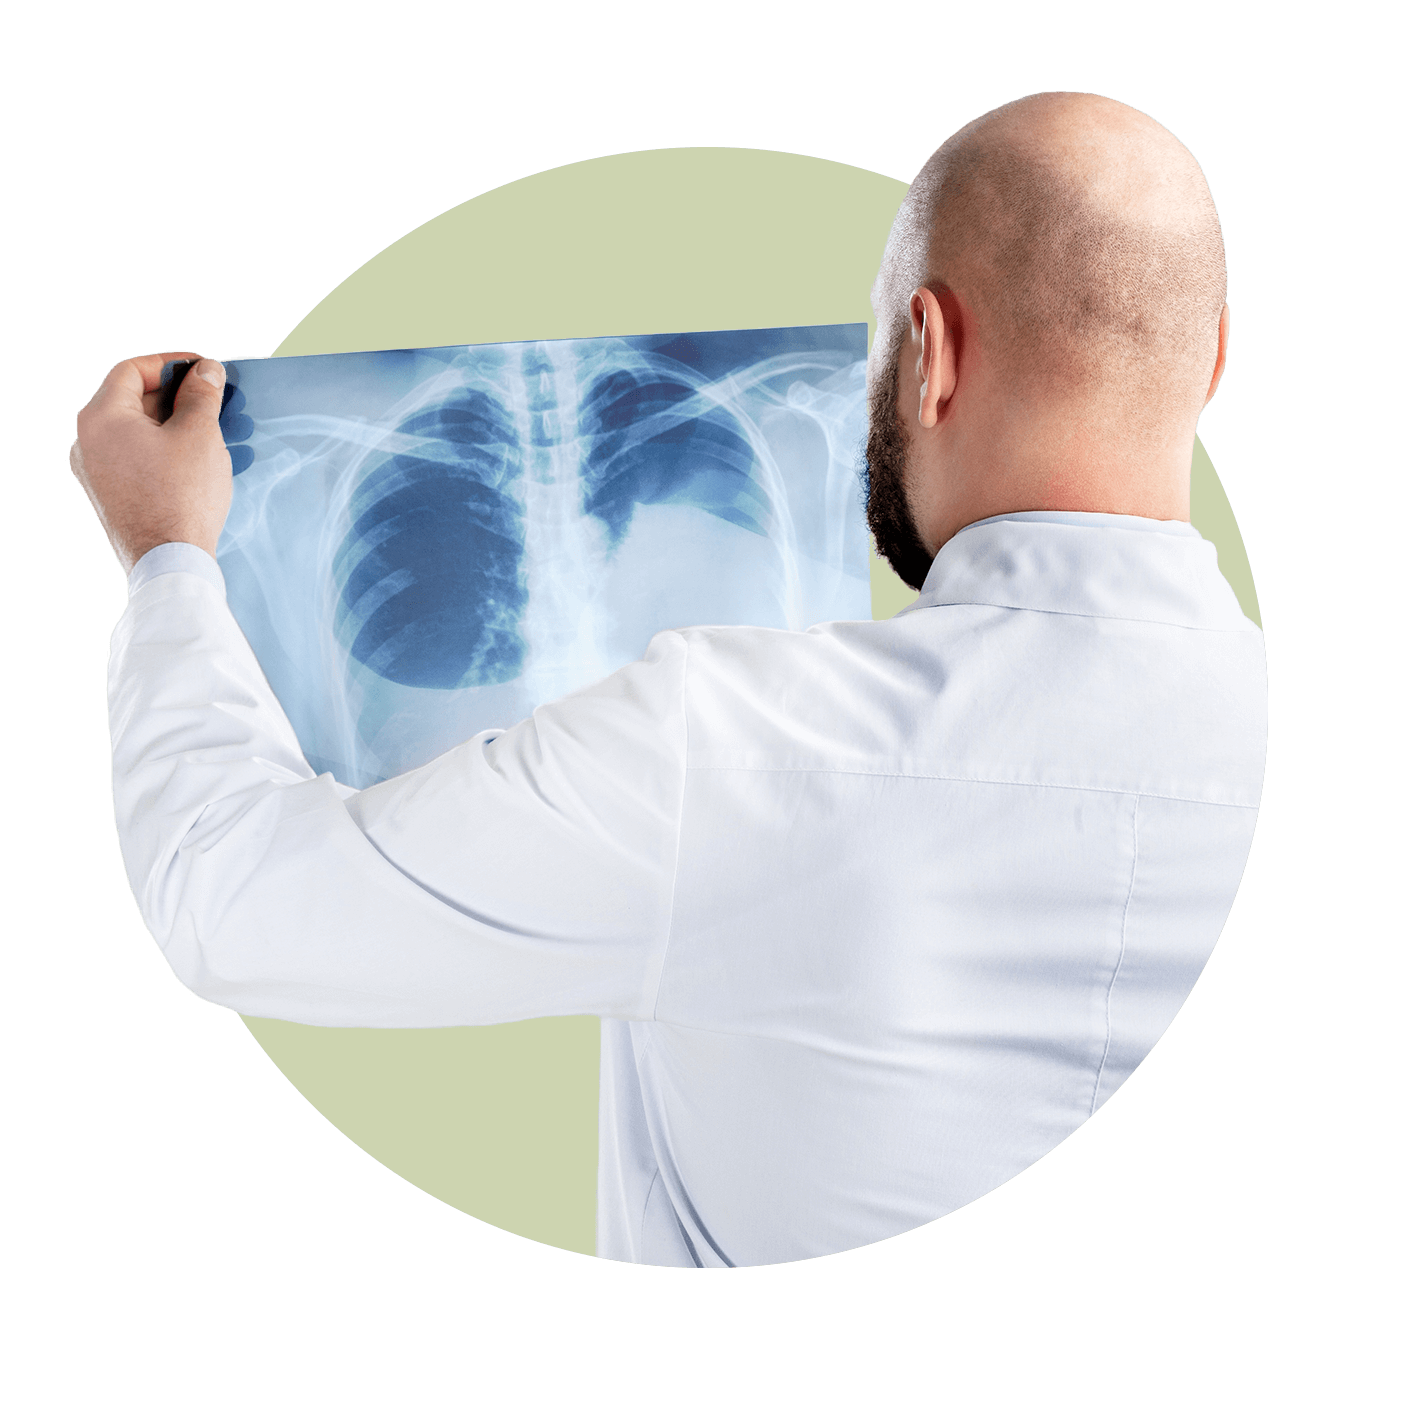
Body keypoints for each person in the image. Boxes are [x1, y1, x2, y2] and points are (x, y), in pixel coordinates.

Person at [71, 93, 1265, 1267]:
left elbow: (229, 900)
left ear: (931, 350)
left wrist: (167, 555)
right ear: (1210, 360)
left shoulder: (727, 739)